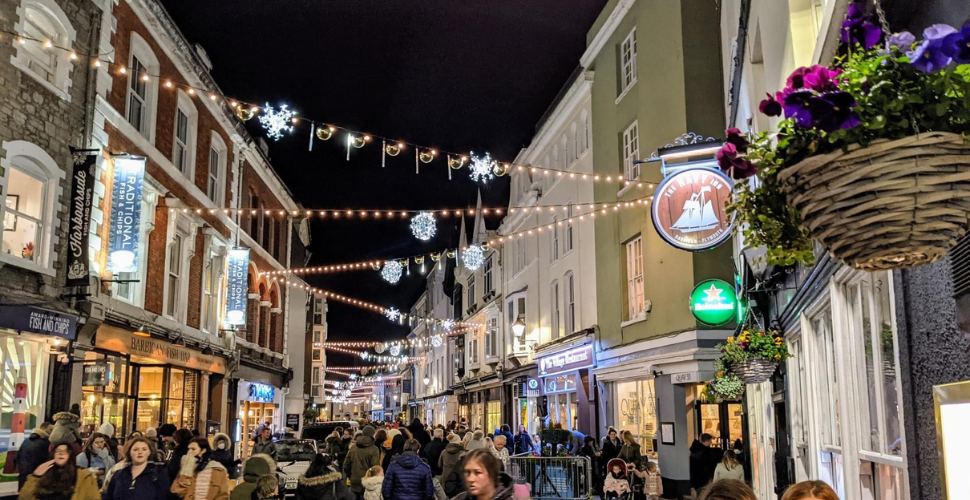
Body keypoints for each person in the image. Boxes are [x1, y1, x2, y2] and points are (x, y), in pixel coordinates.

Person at [18, 442, 100, 500]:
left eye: (65, 451)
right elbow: (24, 497)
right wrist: (35, 476)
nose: (61, 453)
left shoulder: (84, 477)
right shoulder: (45, 475)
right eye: (58, 451)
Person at [103, 437, 172, 500]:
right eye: (135, 450)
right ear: (129, 452)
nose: (140, 452)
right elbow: (108, 496)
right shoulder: (119, 475)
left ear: (149, 452)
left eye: (144, 449)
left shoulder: (159, 474)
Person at [449, 449, 514, 500]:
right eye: (467, 472)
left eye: (477, 472)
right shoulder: (461, 498)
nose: (470, 479)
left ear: (492, 474)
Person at [343, 425, 381, 500]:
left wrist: (350, 475)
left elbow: (346, 465)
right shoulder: (374, 449)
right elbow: (375, 467)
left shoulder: (353, 447)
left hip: (354, 480)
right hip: (367, 483)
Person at [16, 421, 52, 488]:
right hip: (35, 476)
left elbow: (19, 456)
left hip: (23, 475)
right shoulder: (45, 443)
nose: (52, 432)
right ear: (44, 429)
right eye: (50, 430)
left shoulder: (27, 441)